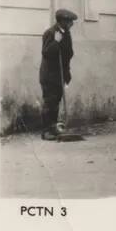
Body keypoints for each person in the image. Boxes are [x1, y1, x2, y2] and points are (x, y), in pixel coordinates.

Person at [40, 9, 77, 140]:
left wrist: (67, 73)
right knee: (50, 102)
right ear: (62, 21)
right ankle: (46, 131)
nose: (72, 24)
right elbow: (46, 53)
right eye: (69, 21)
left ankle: (53, 128)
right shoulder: (50, 33)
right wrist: (56, 42)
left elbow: (69, 53)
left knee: (56, 102)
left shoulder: (67, 34)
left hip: (60, 74)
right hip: (49, 75)